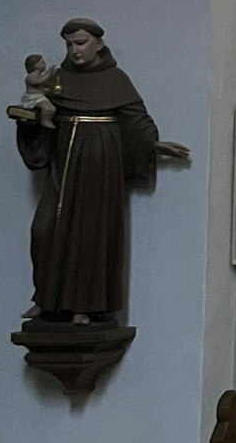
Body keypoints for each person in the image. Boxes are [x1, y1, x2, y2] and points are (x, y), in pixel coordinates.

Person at [15, 19, 188, 324]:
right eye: (69, 44)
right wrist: (28, 120)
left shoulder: (115, 79)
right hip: (64, 159)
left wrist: (155, 145)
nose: (74, 50)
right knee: (44, 228)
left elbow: (135, 120)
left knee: (91, 232)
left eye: (80, 42)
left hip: (100, 161)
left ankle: (85, 306)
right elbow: (41, 114)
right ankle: (45, 299)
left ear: (99, 43)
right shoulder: (58, 79)